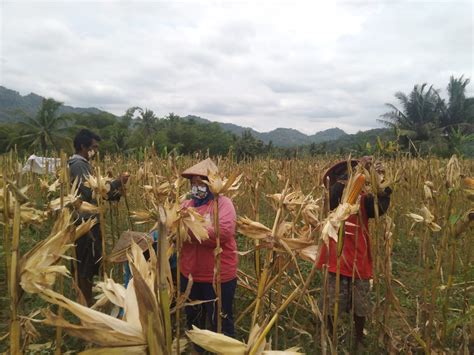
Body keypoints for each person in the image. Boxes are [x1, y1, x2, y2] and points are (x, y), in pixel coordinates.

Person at [316, 156, 392, 349]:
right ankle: (329, 335)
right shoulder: (332, 199)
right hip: (335, 259)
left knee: (361, 304)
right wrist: (351, 178)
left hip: (359, 259)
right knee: (332, 302)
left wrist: (383, 186)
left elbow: (380, 208)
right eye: (344, 177)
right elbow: (333, 198)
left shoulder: (364, 202)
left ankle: (358, 339)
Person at [179, 158, 238, 349]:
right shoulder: (186, 204)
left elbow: (223, 233)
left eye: (201, 183)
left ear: (212, 184)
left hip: (218, 277)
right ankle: (197, 350)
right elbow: (173, 230)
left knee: (220, 320)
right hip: (190, 276)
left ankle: (225, 350)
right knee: (194, 321)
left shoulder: (223, 204)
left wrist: (188, 230)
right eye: (193, 183)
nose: (196, 187)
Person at [69, 129, 129, 306]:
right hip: (83, 224)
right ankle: (85, 306)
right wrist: (117, 183)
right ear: (83, 146)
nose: (96, 151)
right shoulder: (78, 165)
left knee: (89, 265)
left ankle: (86, 304)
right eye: (94, 147)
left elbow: (100, 193)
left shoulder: (85, 164)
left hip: (90, 222)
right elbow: (90, 193)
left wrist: (116, 192)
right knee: (84, 267)